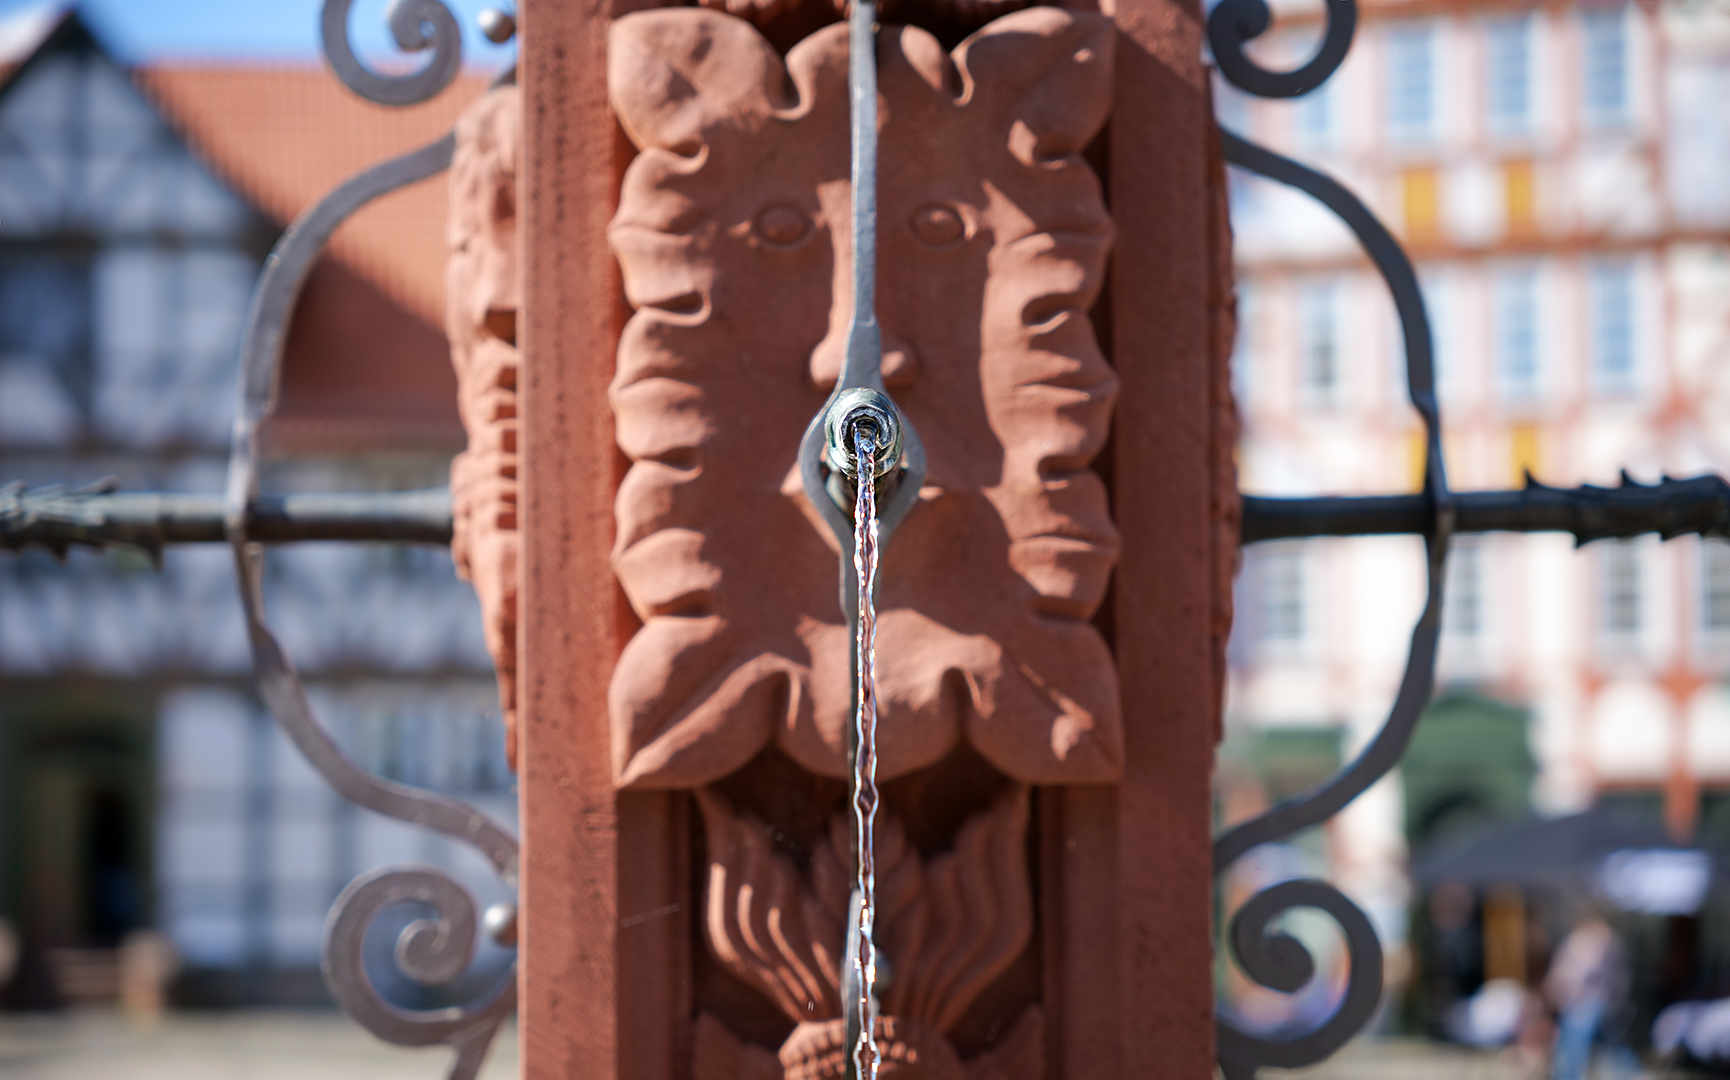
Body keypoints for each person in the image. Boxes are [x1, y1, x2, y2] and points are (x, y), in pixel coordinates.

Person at [1545, 915, 1625, 1080]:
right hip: (1572, 1004)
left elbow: (1594, 972)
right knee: (1573, 1047)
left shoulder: (1604, 944)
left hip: (1591, 1005)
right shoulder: (1574, 943)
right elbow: (1559, 976)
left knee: (1578, 1044)